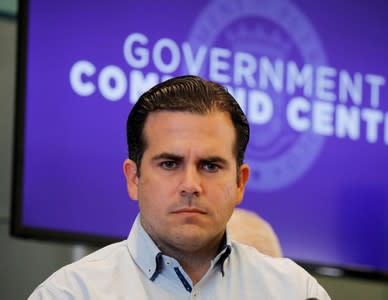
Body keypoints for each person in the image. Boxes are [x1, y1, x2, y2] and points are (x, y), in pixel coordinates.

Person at [29, 75, 331, 299]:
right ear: (133, 178)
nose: (190, 185)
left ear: (240, 183)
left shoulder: (295, 292)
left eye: (210, 166)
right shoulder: (69, 294)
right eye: (170, 164)